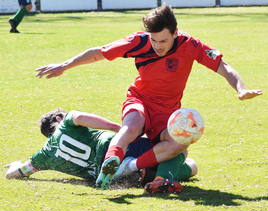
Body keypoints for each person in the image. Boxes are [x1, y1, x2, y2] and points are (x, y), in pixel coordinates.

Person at [35, 4, 262, 192]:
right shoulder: (139, 42)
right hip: (139, 99)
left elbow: (222, 65)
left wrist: (240, 88)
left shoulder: (191, 45)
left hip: (167, 114)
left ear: (175, 33)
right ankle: (111, 162)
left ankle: (128, 168)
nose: (157, 46)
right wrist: (64, 66)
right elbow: (99, 52)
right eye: (154, 40)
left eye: (163, 41)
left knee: (179, 145)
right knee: (132, 126)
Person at [4, 108, 198, 193]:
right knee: (180, 150)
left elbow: (16, 174)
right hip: (112, 149)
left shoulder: (44, 156)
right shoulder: (65, 123)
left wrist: (16, 165)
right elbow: (80, 117)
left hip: (103, 176)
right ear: (58, 119)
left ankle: (145, 174)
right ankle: (154, 176)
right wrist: (119, 129)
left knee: (191, 167)